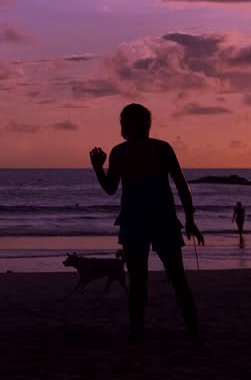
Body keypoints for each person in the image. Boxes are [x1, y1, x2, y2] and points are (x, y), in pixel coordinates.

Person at [90, 103, 203, 345]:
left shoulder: (158, 149)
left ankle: (188, 333)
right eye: (128, 121)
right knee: (145, 281)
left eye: (131, 121)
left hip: (153, 221)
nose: (130, 126)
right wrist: (98, 169)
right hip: (139, 222)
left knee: (172, 280)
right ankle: (141, 333)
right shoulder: (123, 152)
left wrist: (190, 218)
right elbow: (111, 188)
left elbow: (181, 184)